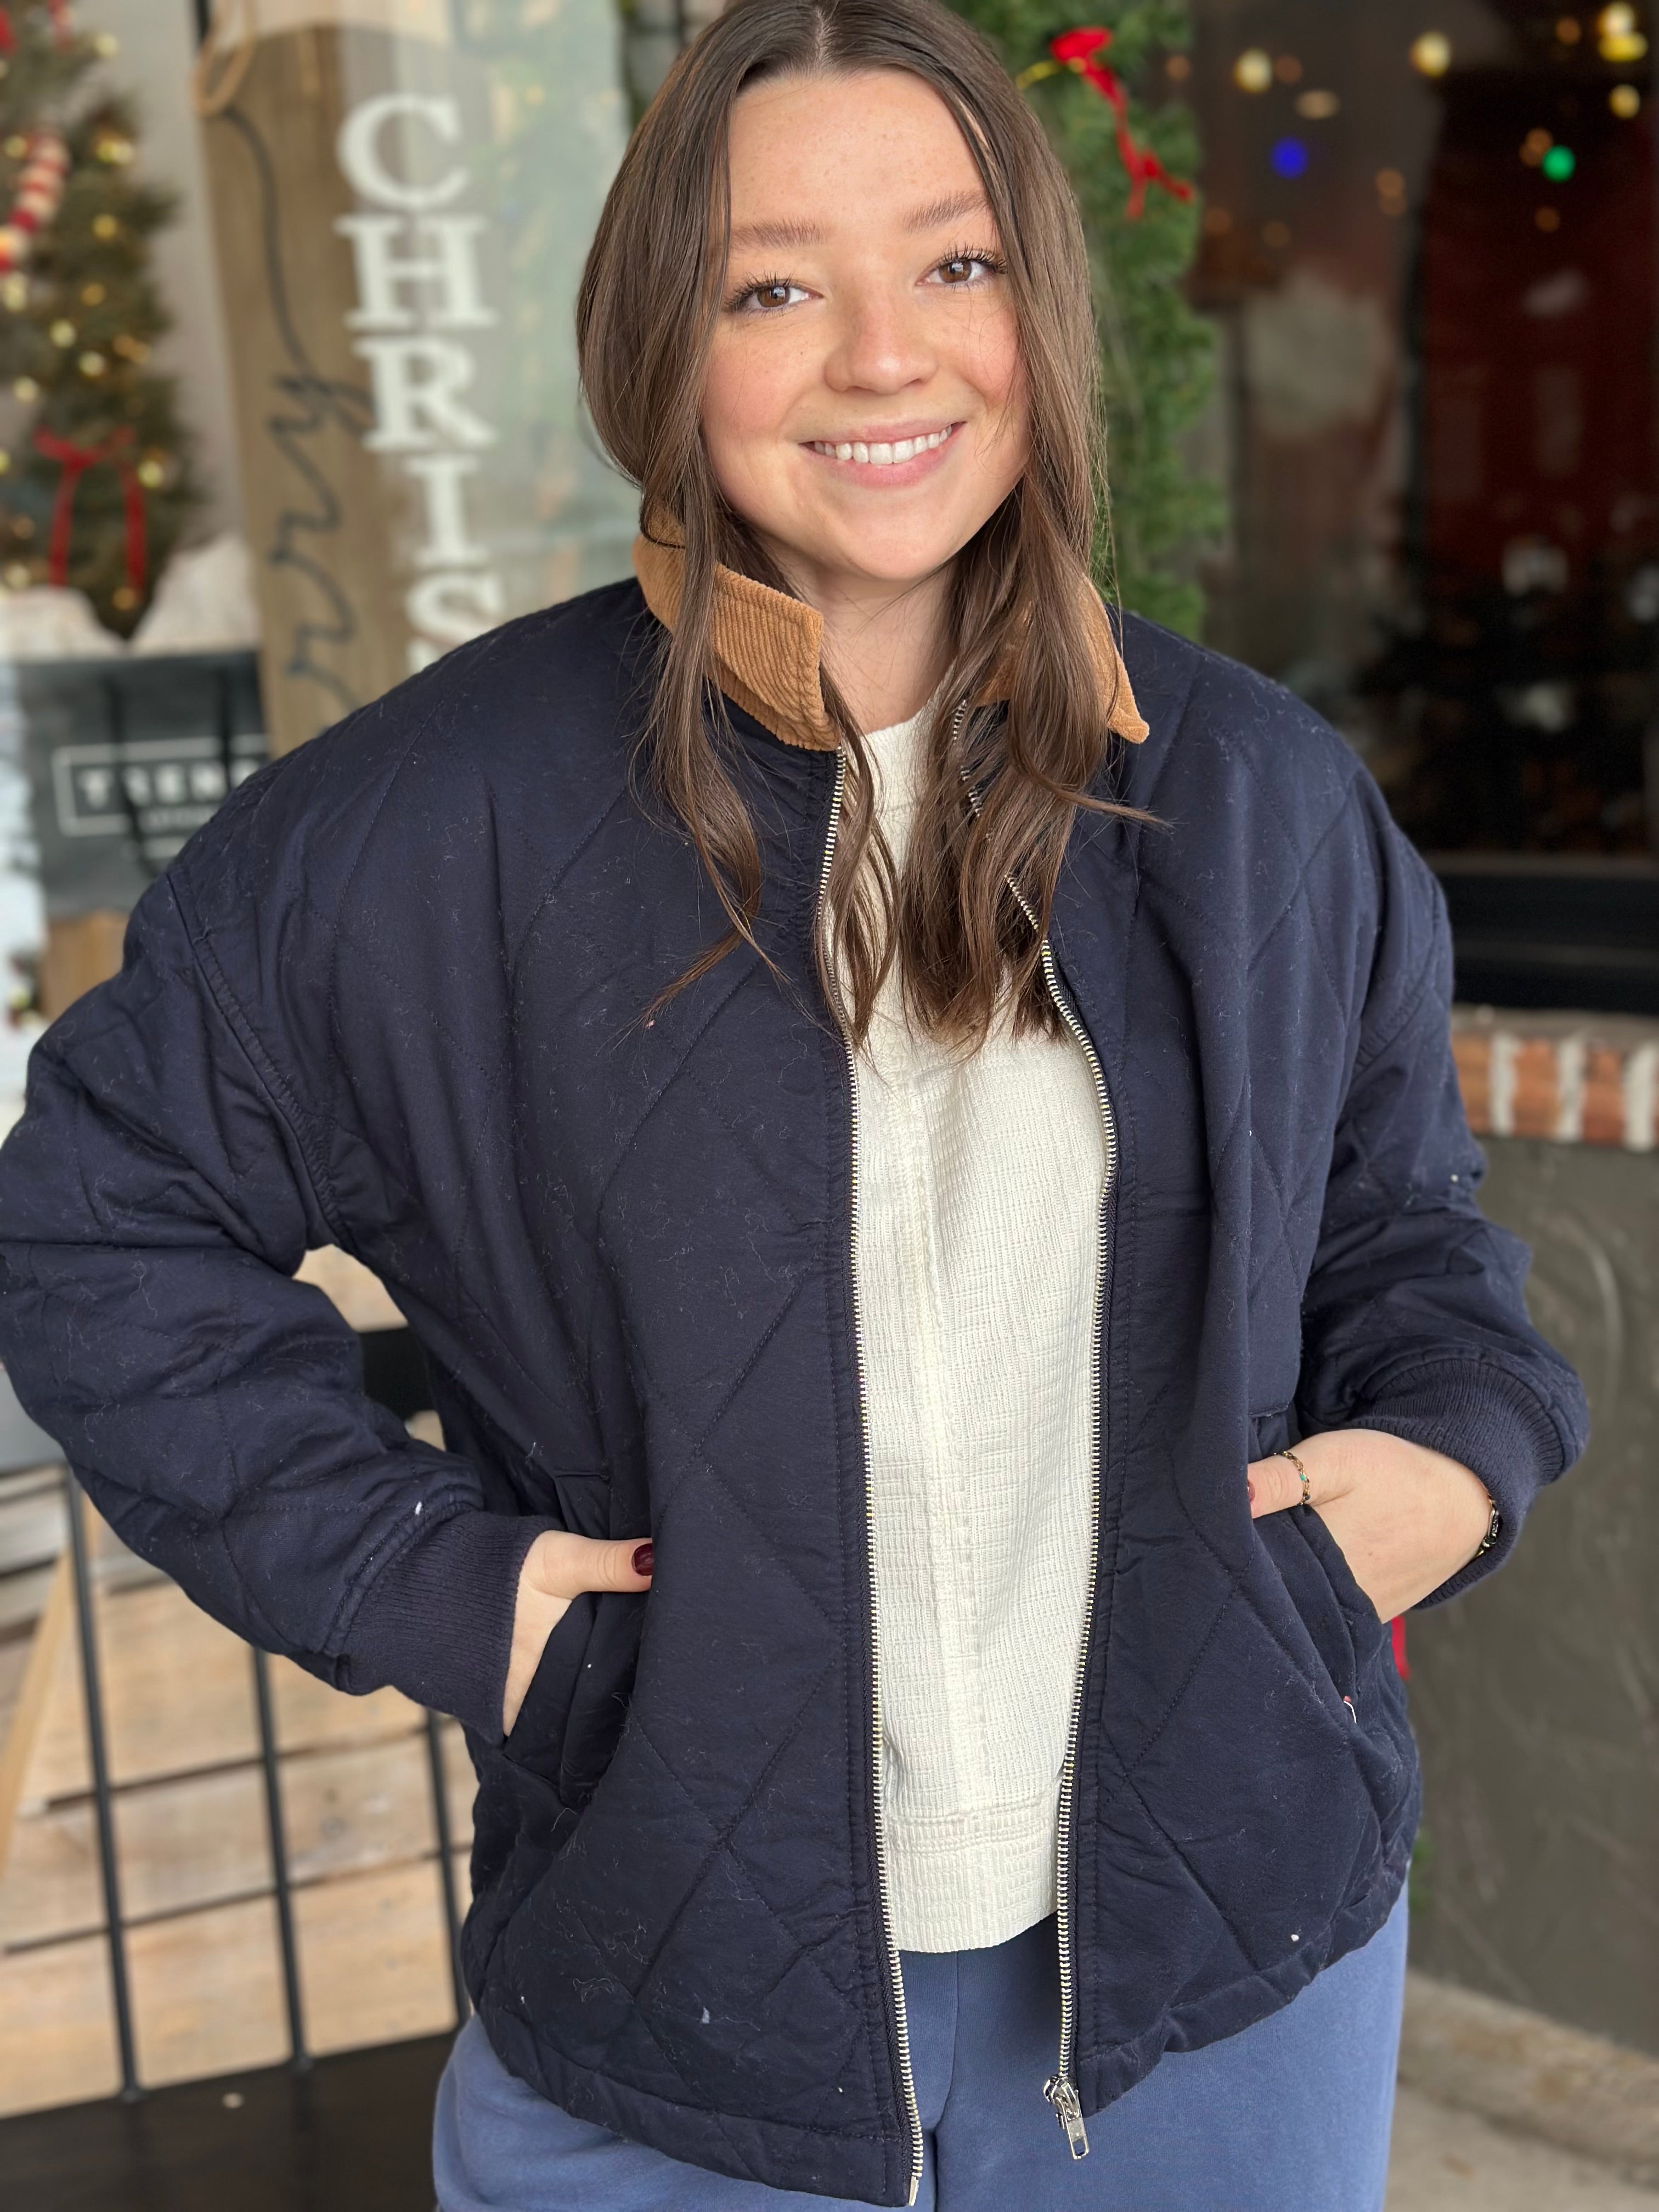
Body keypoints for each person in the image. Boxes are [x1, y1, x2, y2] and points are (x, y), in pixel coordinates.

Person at [0, 3, 1588, 2207]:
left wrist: (1444, 1463)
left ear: (1039, 308)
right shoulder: (431, 825)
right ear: (664, 339)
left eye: (955, 263)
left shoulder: (1255, 796)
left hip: (1223, 1961)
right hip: (674, 1987)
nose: (884, 355)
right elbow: (94, 1226)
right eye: (773, 287)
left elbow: (1401, 1223)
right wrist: (452, 1597)